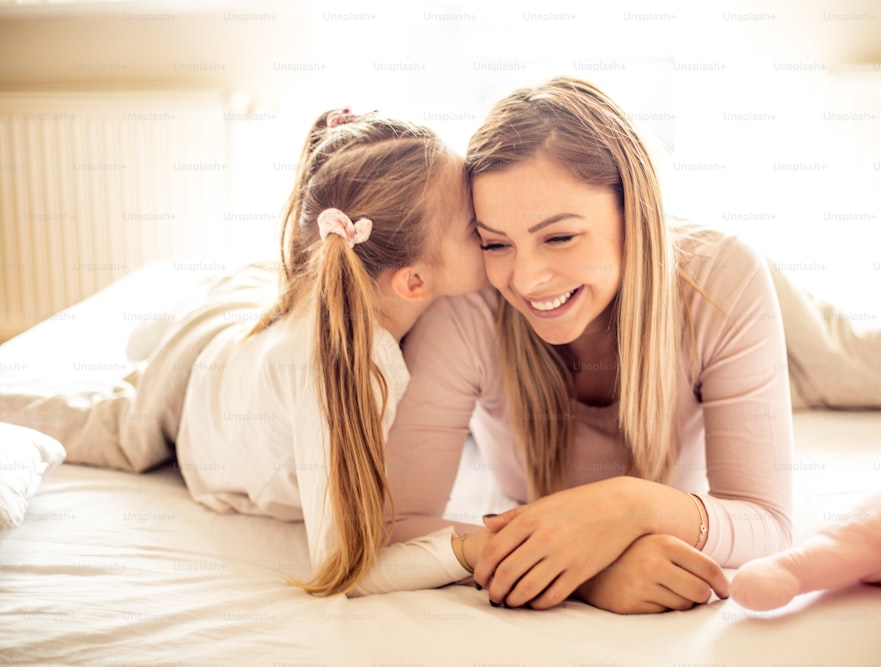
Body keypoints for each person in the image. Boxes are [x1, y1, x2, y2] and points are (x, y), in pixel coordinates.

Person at [384, 77, 794, 613]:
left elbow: (768, 520)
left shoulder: (727, 276)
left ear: (635, 214)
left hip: (689, 290)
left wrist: (631, 504)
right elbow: (393, 526)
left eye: (559, 237)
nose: (527, 280)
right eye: (496, 243)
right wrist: (585, 571)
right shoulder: (470, 300)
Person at [175, 109, 486, 596]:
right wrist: (471, 548)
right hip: (195, 396)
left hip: (239, 342)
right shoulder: (350, 370)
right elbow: (342, 563)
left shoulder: (355, 289)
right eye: (475, 229)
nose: (489, 231)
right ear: (413, 282)